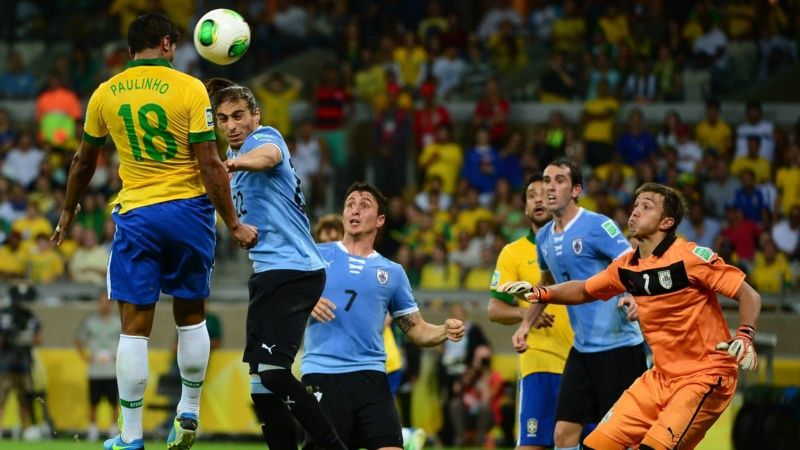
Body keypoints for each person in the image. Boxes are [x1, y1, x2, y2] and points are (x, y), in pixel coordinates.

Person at [50, 13, 258, 450]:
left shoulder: (105, 93)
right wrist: (234, 224)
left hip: (138, 214)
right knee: (191, 313)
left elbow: (84, 161)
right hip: (189, 212)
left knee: (134, 327)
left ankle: (130, 437)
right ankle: (190, 409)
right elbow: (209, 163)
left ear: (131, 49)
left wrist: (68, 210)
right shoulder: (189, 88)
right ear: (166, 44)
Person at [501, 182, 762, 450]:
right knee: (594, 446)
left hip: (704, 375)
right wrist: (539, 293)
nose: (635, 211)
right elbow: (584, 290)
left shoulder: (689, 257)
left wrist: (745, 336)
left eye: (647, 207)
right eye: (636, 205)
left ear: (666, 222)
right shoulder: (627, 267)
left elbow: (749, 295)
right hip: (660, 377)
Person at [205, 78, 347, 450]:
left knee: (274, 375)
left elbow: (267, 157)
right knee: (261, 386)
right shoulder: (232, 161)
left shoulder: (265, 138)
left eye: (239, 116)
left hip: (293, 269)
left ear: (255, 115)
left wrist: (232, 163)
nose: (231, 125)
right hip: (269, 274)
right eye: (223, 119)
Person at [303, 182, 465, 450]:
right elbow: (276, 295)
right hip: (323, 374)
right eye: (350, 204)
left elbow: (416, 329)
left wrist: (443, 331)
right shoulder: (315, 255)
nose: (355, 210)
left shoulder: (393, 272)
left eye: (364, 205)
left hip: (372, 376)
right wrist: (305, 300)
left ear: (380, 220)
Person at [510, 159, 646, 450]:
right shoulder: (543, 238)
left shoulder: (597, 225)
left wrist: (632, 295)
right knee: (563, 434)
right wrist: (525, 325)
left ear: (576, 190)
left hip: (619, 347)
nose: (550, 187)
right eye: (547, 180)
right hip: (582, 350)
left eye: (559, 180)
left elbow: (631, 262)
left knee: (623, 439)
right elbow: (546, 285)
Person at [487, 174, 573, 450]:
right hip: (538, 362)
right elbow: (494, 309)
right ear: (524, 207)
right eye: (531, 196)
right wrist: (527, 315)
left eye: (544, 194)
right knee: (531, 444)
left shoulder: (578, 244)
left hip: (581, 360)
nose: (538, 200)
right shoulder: (512, 253)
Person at [75, 291, 121, 442]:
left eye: (107, 302)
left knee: (114, 402)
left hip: (112, 370)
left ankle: (113, 429)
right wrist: (86, 358)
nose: (104, 305)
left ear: (111, 304)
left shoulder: (118, 322)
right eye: (102, 302)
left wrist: (118, 357)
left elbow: (125, 342)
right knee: (93, 402)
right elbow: (78, 339)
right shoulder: (90, 321)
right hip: (95, 370)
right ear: (98, 303)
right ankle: (93, 429)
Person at [0, 283, 42, 439]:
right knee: (1, 399)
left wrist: (27, 339)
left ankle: (25, 430)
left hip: (24, 363)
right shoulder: (5, 314)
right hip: (5, 364)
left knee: (25, 400)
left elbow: (38, 338)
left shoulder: (30, 316)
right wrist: (12, 339)